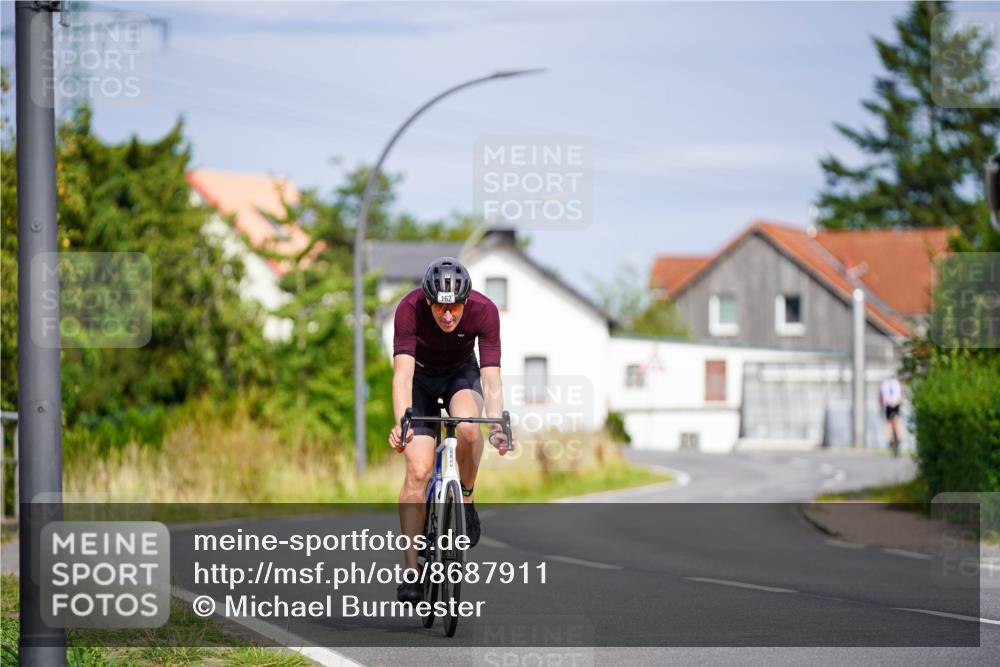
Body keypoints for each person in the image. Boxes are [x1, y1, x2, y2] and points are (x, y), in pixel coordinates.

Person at [388, 257, 514, 603]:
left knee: (470, 429)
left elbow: (491, 377)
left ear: (466, 301)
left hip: (461, 375)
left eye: (455, 308)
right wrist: (404, 421)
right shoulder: (408, 309)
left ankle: (467, 497)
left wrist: (497, 422)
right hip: (421, 381)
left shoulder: (485, 311)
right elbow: (402, 376)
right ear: (428, 300)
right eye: (440, 308)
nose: (447, 316)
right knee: (417, 470)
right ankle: (412, 571)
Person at [878, 376, 903, 456]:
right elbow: (901, 394)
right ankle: (899, 438)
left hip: (888, 404)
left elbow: (881, 397)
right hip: (896, 403)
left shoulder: (884, 383)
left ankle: (890, 439)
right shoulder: (897, 383)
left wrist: (881, 407)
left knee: (888, 423)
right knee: (897, 421)